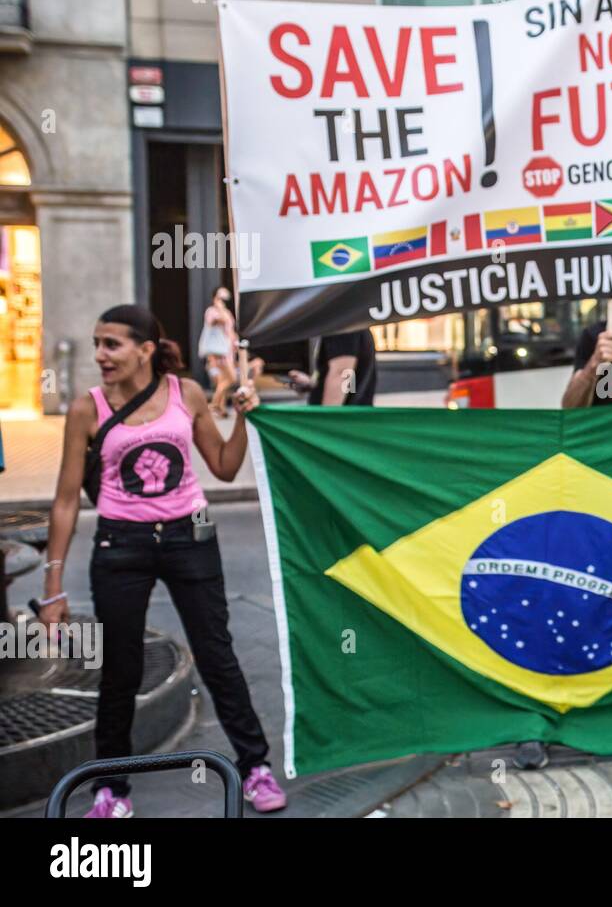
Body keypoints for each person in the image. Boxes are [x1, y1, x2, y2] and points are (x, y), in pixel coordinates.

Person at [38, 305, 287, 817]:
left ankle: (255, 767)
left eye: (112, 344)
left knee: (217, 655)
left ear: (146, 349)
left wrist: (244, 418)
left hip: (189, 536)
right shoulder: (87, 408)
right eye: (97, 344)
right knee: (120, 670)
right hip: (119, 544)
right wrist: (54, 585)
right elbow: (65, 500)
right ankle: (110, 789)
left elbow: (223, 465)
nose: (100, 355)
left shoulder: (184, 393)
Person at [287, 328, 377, 406]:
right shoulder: (353, 323)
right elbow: (349, 380)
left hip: (342, 420)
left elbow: (341, 373)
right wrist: (313, 384)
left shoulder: (341, 323)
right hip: (352, 417)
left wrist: (326, 420)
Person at [198, 287, 237, 417]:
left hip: (227, 351)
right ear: (215, 298)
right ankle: (214, 404)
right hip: (218, 352)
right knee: (230, 378)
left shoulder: (227, 312)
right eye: (220, 297)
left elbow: (229, 330)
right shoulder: (212, 311)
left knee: (222, 382)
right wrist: (219, 308)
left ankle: (221, 409)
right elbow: (215, 322)